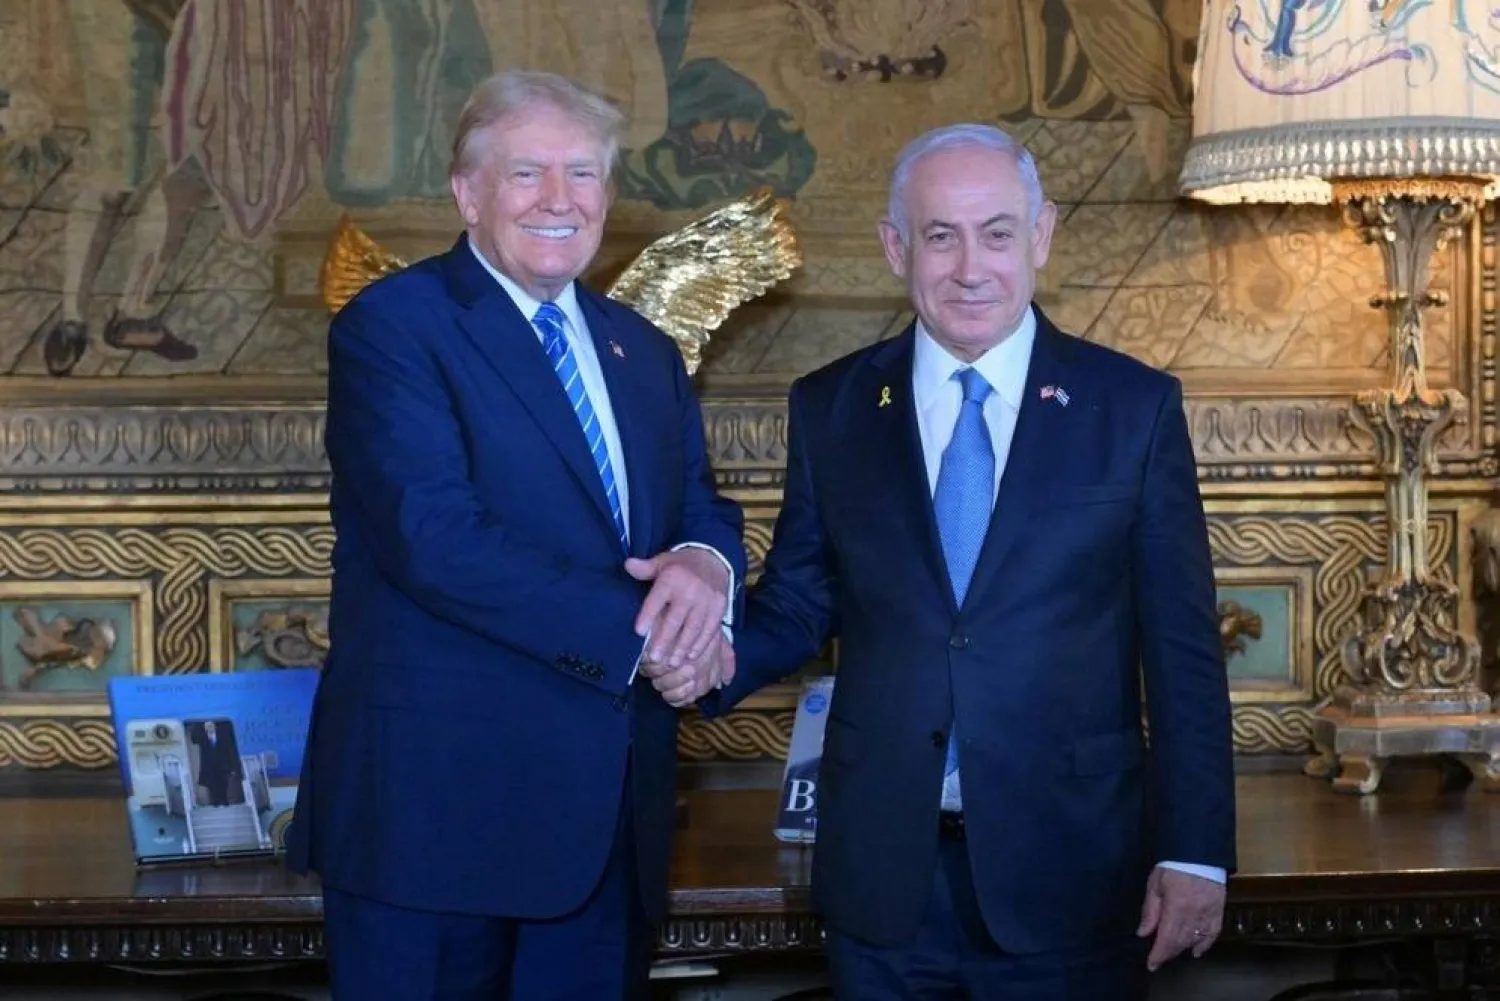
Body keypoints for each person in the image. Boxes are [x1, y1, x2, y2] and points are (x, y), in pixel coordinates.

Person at [702, 123, 1236, 999]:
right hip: (883, 881)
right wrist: (693, 661)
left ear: (1041, 235)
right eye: (940, 236)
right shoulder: (833, 406)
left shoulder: (1131, 407)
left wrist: (1196, 851)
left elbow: (1182, 651)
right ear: (894, 247)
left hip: (1072, 872)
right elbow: (800, 600)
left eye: (996, 232)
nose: (969, 266)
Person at [285, 70, 746, 1000]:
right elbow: (433, 536)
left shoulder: (641, 350)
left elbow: (699, 506)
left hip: (606, 825)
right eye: (528, 172)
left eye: (583, 174)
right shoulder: (396, 326)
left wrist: (706, 567)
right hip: (438, 823)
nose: (559, 199)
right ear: (468, 192)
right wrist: (655, 634)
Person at [191, 720, 240, 807]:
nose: (209, 728)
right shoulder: (203, 738)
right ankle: (216, 802)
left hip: (223, 765)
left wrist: (233, 766)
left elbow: (229, 751)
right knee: (212, 785)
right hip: (209, 766)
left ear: (215, 727)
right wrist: (196, 723)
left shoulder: (222, 736)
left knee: (224, 783)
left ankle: (225, 801)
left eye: (210, 726)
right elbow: (194, 738)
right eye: (207, 727)